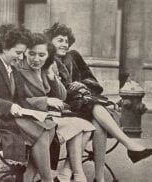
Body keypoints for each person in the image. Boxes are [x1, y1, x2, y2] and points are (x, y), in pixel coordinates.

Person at [44, 23, 152, 182]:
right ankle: (129, 145)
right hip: (64, 108)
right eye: (60, 40)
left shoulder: (73, 56)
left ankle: (99, 177)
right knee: (95, 108)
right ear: (50, 42)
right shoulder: (46, 59)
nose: (65, 44)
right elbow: (50, 91)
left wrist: (81, 86)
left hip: (82, 102)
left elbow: (93, 81)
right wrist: (69, 88)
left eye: (66, 41)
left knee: (97, 122)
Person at [0, 24, 56, 182]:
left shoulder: (12, 69)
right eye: (18, 53)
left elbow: (20, 99)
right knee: (41, 131)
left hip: (5, 118)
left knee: (48, 124)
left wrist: (36, 112)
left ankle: (27, 178)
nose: (21, 58)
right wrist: (9, 107)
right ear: (4, 47)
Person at [15, 32, 95, 182]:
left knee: (86, 127)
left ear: (48, 56)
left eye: (41, 55)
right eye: (31, 54)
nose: (36, 59)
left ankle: (70, 174)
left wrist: (52, 77)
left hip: (46, 117)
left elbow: (62, 96)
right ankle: (72, 175)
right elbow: (19, 99)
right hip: (32, 119)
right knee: (73, 128)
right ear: (25, 52)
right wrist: (45, 101)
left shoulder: (45, 69)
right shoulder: (18, 70)